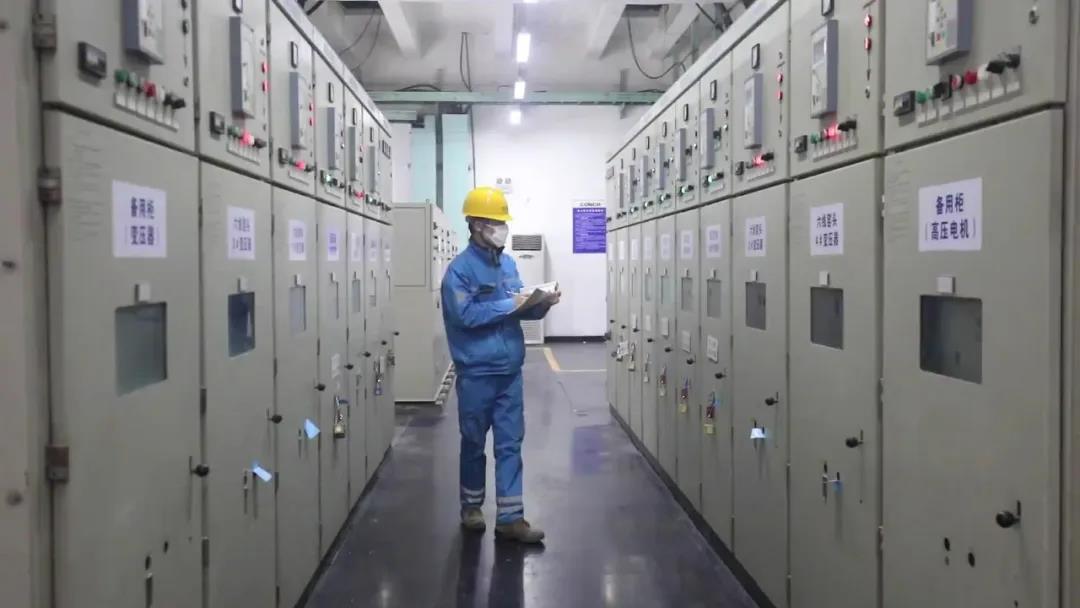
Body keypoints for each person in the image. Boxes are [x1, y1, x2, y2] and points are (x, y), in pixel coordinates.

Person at [441, 186, 560, 544]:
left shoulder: (507, 265)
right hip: (476, 373)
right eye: (496, 222)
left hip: (509, 373)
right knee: (473, 442)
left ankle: (511, 518)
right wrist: (510, 305)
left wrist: (541, 303)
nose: (502, 229)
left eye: (502, 222)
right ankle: (471, 507)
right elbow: (465, 316)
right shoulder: (459, 272)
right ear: (477, 225)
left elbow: (519, 306)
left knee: (510, 444)